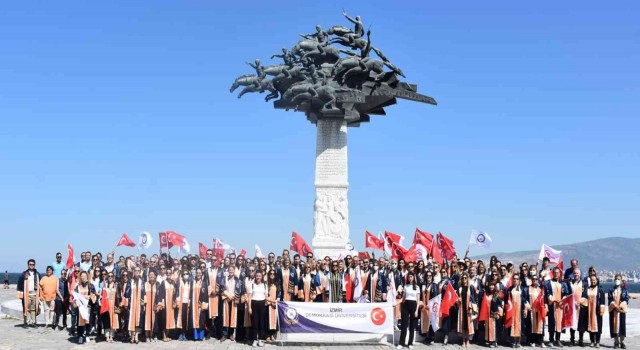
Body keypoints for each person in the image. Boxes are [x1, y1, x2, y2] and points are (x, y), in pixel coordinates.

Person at [545, 266, 572, 347]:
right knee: (552, 323)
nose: (556, 274)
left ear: (560, 274)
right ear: (552, 273)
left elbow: (566, 294)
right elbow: (548, 293)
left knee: (559, 323)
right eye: (555, 273)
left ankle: (558, 339)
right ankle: (551, 340)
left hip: (560, 306)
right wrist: (553, 299)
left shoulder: (563, 283)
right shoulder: (549, 283)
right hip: (552, 305)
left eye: (557, 273)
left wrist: (563, 300)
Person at [580, 275, 605, 348]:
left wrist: (601, 310)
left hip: (596, 311)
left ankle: (597, 342)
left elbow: (602, 301)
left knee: (598, 326)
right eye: (591, 280)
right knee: (590, 325)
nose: (593, 281)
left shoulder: (599, 290)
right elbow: (584, 298)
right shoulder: (588, 289)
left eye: (594, 280)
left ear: (597, 280)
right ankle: (592, 341)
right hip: (589, 310)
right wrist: (581, 303)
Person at [523, 272, 546, 348]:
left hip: (539, 310)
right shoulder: (527, 289)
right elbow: (524, 298)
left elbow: (543, 299)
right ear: (531, 280)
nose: (535, 280)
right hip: (531, 310)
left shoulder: (540, 289)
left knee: (540, 325)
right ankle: (532, 341)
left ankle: (540, 341)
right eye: (533, 279)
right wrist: (527, 304)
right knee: (532, 326)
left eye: (536, 279)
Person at [73, 271, 96, 344]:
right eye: (82, 276)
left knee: (88, 321)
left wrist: (89, 296)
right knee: (80, 322)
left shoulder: (91, 285)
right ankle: (80, 336)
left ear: (87, 277)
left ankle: (87, 335)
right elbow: (75, 295)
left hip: (88, 306)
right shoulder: (77, 286)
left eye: (84, 276)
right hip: (80, 307)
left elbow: (93, 295)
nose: (83, 277)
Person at [455, 272, 477, 348]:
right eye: (462, 278)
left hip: (468, 308)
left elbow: (473, 298)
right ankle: (463, 340)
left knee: (468, 325)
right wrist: (458, 300)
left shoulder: (470, 287)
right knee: (463, 324)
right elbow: (457, 299)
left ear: (467, 279)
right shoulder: (460, 288)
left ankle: (468, 340)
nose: (464, 279)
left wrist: (471, 308)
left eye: (465, 278)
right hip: (461, 309)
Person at [397, 272, 419, 349]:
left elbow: (418, 300)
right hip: (405, 306)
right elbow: (403, 298)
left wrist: (416, 310)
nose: (410, 278)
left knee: (412, 325)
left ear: (414, 278)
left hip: (413, 306)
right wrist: (396, 303)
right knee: (404, 325)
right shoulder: (405, 286)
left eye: (411, 277)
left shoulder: (417, 287)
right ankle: (401, 343)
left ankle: (410, 343)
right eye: (409, 277)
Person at [16, 259, 41, 327]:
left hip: (34, 293)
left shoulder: (37, 274)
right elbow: (20, 283)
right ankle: (25, 322)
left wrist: (40, 295)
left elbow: (40, 284)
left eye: (33, 264)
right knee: (26, 308)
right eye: (30, 264)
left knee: (34, 308)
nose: (31, 265)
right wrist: (20, 294)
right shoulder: (24, 274)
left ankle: (33, 322)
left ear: (34, 265)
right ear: (28, 265)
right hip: (26, 293)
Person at [608, 273, 630, 349]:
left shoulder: (624, 290)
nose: (617, 280)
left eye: (619, 279)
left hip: (621, 311)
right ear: (614, 280)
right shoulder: (611, 290)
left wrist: (620, 306)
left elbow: (626, 300)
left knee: (622, 326)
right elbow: (610, 299)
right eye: (616, 279)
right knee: (614, 326)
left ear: (621, 280)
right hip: (613, 310)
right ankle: (616, 342)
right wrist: (614, 305)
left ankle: (622, 342)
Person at [247, 270, 267, 347]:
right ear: (255, 276)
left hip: (262, 304)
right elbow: (249, 297)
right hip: (254, 304)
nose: (258, 277)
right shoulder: (252, 285)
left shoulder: (265, 285)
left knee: (261, 323)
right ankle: (254, 339)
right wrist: (249, 307)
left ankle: (260, 340)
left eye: (259, 276)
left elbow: (266, 296)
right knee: (254, 323)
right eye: (257, 275)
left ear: (262, 277)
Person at [126, 267, 145, 343]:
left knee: (138, 320)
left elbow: (144, 293)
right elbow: (127, 293)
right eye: (135, 270)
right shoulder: (130, 281)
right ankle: (131, 336)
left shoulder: (142, 282)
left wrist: (144, 302)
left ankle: (136, 336)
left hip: (139, 305)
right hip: (132, 304)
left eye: (138, 270)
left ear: (140, 272)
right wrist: (127, 303)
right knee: (131, 320)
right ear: (133, 272)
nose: (137, 272)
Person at [507, 274, 525, 348]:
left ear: (519, 280)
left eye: (517, 279)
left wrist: (525, 308)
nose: (515, 280)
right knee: (512, 325)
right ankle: (513, 341)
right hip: (512, 310)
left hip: (520, 310)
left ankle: (518, 341)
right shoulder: (509, 289)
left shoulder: (522, 289)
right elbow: (507, 300)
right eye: (514, 278)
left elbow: (524, 299)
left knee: (519, 325)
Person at [420, 269, 438, 345]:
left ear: (432, 277)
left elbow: (435, 296)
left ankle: (431, 338)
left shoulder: (434, 285)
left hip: (431, 306)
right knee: (425, 321)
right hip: (424, 306)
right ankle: (426, 336)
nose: (428, 277)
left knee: (431, 322)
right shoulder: (423, 285)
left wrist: (432, 305)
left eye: (430, 275)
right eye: (427, 275)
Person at [101, 271, 118, 343]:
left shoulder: (115, 286)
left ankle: (112, 336)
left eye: (111, 276)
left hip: (113, 305)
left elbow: (117, 297)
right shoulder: (105, 285)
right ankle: (107, 336)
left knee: (113, 321)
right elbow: (103, 296)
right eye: (109, 276)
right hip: (107, 306)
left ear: (113, 277)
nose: (110, 277)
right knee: (107, 321)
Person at [570, 268, 585, 346]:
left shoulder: (583, 283)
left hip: (580, 306)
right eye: (575, 273)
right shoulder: (570, 283)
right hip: (572, 306)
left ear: (580, 274)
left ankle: (581, 339)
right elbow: (568, 293)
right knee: (572, 323)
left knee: (580, 323)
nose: (576, 274)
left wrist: (579, 302)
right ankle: (572, 339)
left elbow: (585, 295)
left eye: (577, 273)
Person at [143, 270, 159, 342]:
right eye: (150, 275)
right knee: (147, 320)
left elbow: (160, 295)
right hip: (147, 305)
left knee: (154, 320)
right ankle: (147, 336)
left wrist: (158, 305)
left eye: (153, 274)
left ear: (155, 276)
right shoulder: (145, 284)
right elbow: (143, 295)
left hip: (154, 305)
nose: (151, 276)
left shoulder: (157, 284)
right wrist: (144, 304)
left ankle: (151, 335)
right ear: (148, 276)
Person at [265, 269, 279, 341]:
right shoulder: (266, 284)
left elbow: (279, 294)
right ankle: (267, 334)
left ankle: (272, 334)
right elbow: (264, 294)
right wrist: (268, 301)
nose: (272, 275)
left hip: (274, 304)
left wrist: (275, 301)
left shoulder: (277, 284)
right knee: (267, 320)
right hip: (268, 304)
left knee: (274, 320)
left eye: (273, 273)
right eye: (271, 273)